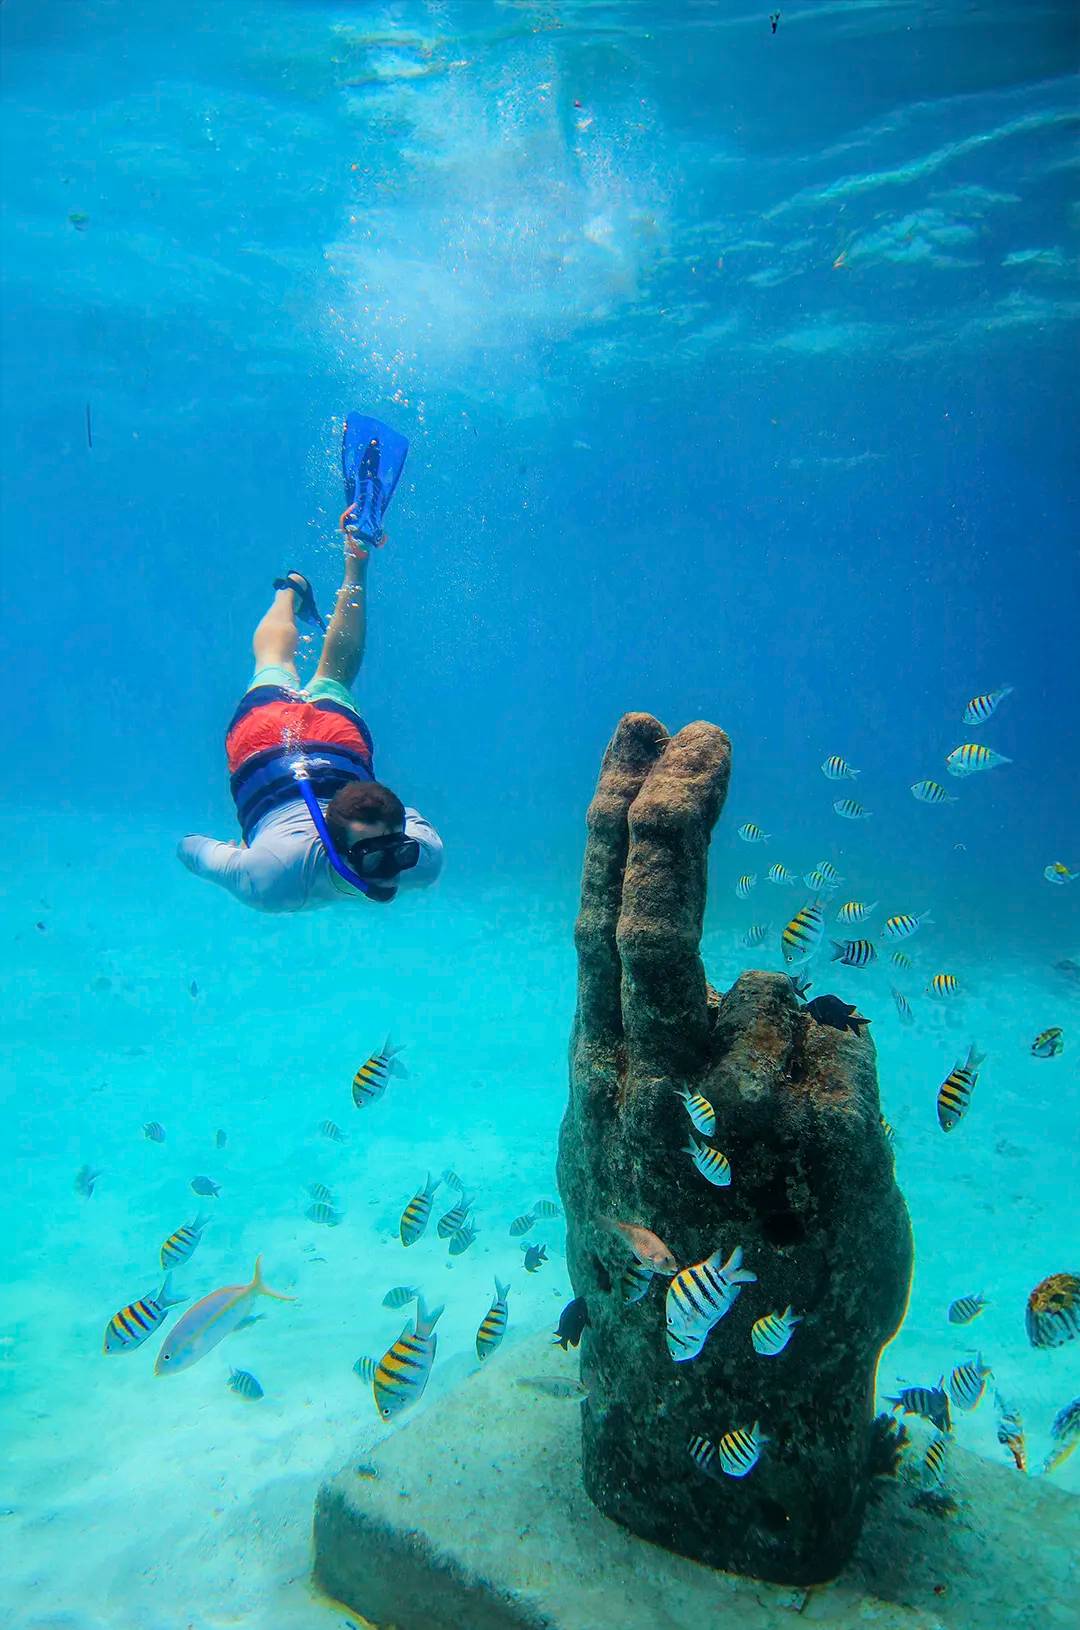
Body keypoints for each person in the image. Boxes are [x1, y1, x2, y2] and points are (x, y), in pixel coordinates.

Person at [178, 414, 442, 913]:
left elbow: (190, 849)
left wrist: (236, 859)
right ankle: (320, 576)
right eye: (373, 859)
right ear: (329, 846)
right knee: (282, 663)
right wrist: (237, 859)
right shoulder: (275, 879)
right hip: (277, 740)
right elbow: (190, 850)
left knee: (300, 665)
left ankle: (305, 585)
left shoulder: (417, 860)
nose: (389, 874)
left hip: (284, 738)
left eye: (396, 853)